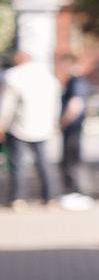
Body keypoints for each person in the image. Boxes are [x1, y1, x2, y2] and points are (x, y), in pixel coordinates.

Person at [2, 49, 60, 208]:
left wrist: (2, 124)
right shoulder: (46, 74)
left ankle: (17, 198)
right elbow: (55, 99)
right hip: (43, 125)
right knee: (43, 162)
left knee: (17, 164)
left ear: (19, 59)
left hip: (19, 125)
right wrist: (54, 120)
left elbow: (7, 104)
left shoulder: (13, 75)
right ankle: (50, 197)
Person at [58, 68, 91, 209]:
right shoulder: (81, 82)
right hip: (75, 126)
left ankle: (74, 190)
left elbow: (75, 104)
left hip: (72, 127)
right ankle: (74, 189)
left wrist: (63, 122)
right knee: (73, 158)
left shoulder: (75, 82)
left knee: (71, 159)